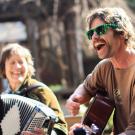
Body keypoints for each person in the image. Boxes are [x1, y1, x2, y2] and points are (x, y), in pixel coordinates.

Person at [66, 7, 135, 135]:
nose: (94, 37)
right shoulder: (105, 67)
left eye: (100, 30)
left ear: (121, 32)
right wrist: (75, 99)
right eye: (91, 33)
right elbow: (86, 87)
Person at [0, 43, 68, 135]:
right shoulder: (3, 99)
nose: (17, 67)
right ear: (3, 68)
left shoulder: (41, 91)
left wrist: (48, 133)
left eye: (21, 62)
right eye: (12, 62)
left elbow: (61, 126)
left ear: (28, 66)